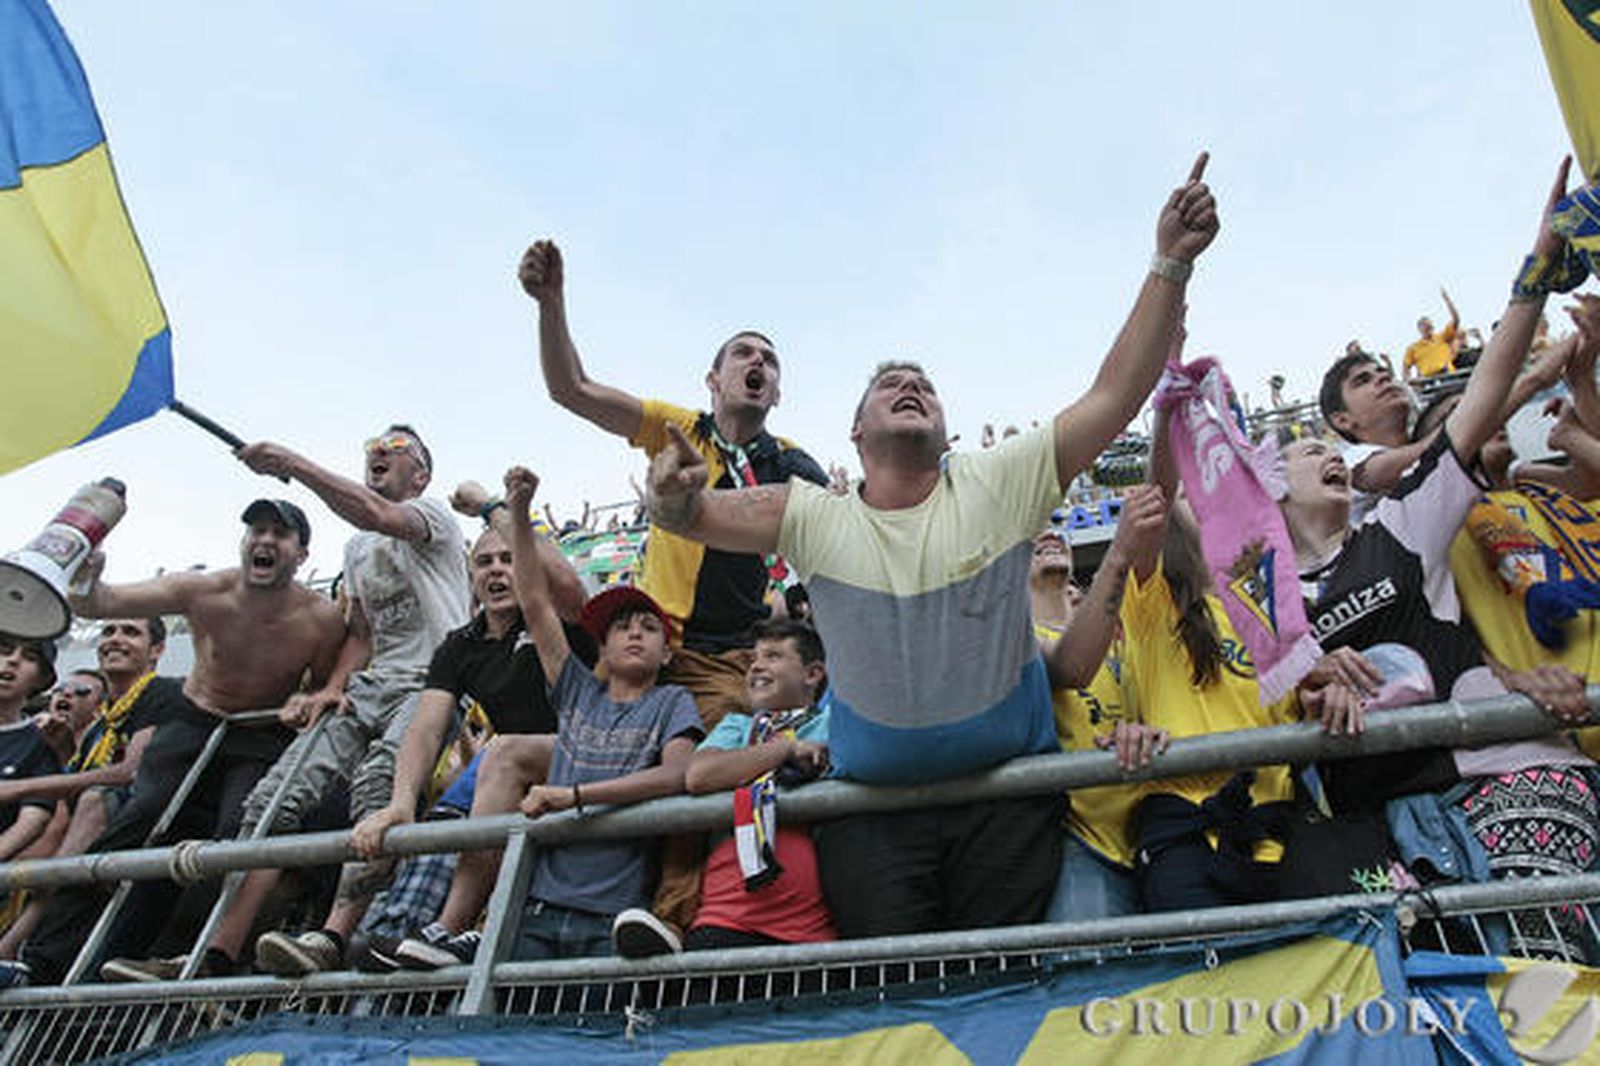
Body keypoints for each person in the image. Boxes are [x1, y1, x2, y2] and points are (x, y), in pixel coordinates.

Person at [647, 153, 1219, 937]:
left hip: (1007, 806)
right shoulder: (814, 514)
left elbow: (1116, 394)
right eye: (890, 385)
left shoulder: (1000, 482)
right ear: (855, 431)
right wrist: (670, 492)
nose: (911, 386)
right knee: (904, 997)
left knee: (1001, 988)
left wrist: (1169, 263)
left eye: (925, 384)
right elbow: (690, 517)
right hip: (873, 820)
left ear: (946, 427)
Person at [1280, 160, 1596, 958]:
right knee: (1463, 1027)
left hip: (1503, 772)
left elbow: (1483, 398)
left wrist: (1533, 281)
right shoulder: (1263, 608)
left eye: (1327, 450)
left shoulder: (1400, 526)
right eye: (1302, 450)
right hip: (1382, 830)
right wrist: (1310, 670)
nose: (1321, 457)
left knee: (1551, 1000)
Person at [520, 239, 827, 944]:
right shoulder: (676, 428)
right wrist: (551, 304)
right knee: (548, 760)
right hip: (649, 648)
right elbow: (571, 389)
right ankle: (499, 918)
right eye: (743, 354)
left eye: (769, 361)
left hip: (723, 659)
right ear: (712, 380)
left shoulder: (792, 465)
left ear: (777, 392)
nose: (758, 364)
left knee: (698, 778)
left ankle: (667, 926)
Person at [170, 426, 472, 977]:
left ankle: (334, 936)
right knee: (272, 799)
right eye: (372, 444)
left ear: (423, 474)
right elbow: (360, 630)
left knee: (377, 786)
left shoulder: (433, 516)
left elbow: (377, 514)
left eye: (398, 447)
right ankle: (213, 952)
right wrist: (332, 687)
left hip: (434, 682)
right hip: (371, 685)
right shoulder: (356, 549)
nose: (380, 449)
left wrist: (291, 459)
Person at [8, 500, 347, 986]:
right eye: (257, 530)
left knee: (238, 836)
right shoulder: (204, 590)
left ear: (302, 553)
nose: (265, 540)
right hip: (193, 721)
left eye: (280, 534)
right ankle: (45, 962)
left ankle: (180, 960)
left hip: (260, 733)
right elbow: (98, 603)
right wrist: (86, 575)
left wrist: (310, 697)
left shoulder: (322, 618)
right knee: (141, 824)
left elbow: (330, 679)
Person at [395, 467, 702, 965]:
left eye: (650, 626)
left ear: (669, 653)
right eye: (622, 626)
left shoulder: (674, 702)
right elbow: (534, 600)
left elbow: (678, 775)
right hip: (536, 911)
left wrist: (573, 795)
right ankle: (457, 927)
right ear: (600, 644)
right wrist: (516, 510)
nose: (635, 634)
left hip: (614, 914)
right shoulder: (576, 691)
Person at [341, 491, 590, 973]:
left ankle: (454, 928)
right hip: (512, 776)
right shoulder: (460, 646)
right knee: (444, 814)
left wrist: (492, 507)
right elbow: (426, 727)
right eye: (483, 563)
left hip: (590, 754)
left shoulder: (557, 619)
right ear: (470, 579)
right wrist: (400, 801)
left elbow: (563, 582)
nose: (495, 571)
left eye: (507, 559)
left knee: (498, 755)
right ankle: (385, 937)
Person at [1030, 487, 1164, 921]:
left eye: (1053, 527)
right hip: (1083, 845)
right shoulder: (1012, 640)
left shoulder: (1121, 645)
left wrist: (1145, 726)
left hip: (1158, 833)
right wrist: (1121, 551)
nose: (1047, 535)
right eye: (1028, 536)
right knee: (1094, 981)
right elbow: (1070, 669)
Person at [0, 620, 170, 960]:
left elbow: (121, 777)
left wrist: (20, 787)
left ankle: (15, 949)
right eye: (4, 651)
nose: (12, 662)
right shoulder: (92, 737)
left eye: (81, 692)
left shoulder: (161, 696)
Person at [673, 619, 834, 951]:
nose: (756, 667)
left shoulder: (833, 722)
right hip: (724, 915)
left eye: (773, 656)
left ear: (813, 674)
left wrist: (744, 763)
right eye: (753, 660)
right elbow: (700, 775)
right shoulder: (736, 724)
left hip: (811, 926)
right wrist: (785, 749)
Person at [0, 635, 64, 864]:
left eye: (29, 657)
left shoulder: (41, 743)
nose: (13, 661)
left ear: (42, 678)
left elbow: (33, 819)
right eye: (4, 650)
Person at [1402, 286, 1461, 380]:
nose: (1428, 328)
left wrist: (1447, 300)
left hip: (1448, 375)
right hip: (1429, 381)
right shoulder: (1413, 348)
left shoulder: (1442, 337)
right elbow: (1405, 367)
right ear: (1420, 329)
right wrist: (1409, 382)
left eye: (1430, 325)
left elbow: (1456, 320)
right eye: (1425, 325)